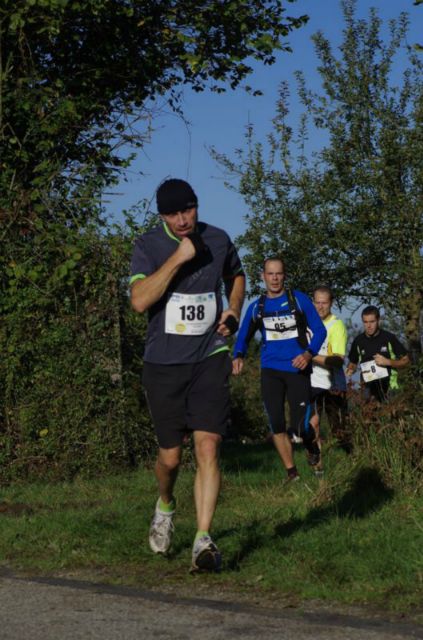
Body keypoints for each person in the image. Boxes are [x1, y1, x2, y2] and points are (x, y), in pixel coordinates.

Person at [130, 178, 245, 572]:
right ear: (162, 216)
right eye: (173, 214)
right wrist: (179, 258)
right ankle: (165, 504)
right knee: (171, 457)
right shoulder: (148, 246)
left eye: (188, 210)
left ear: (197, 206)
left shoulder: (219, 239)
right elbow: (139, 301)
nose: (182, 220)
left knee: (208, 445)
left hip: (209, 355)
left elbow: (237, 276)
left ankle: (203, 539)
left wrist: (233, 310)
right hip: (163, 364)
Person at [232, 257, 326, 480]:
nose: (274, 278)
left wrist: (308, 354)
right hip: (270, 371)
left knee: (301, 428)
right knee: (276, 424)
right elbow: (243, 336)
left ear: (284, 275)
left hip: (297, 370)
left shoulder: (298, 300)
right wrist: (238, 355)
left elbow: (320, 331)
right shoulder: (257, 307)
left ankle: (311, 447)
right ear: (263, 276)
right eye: (270, 274)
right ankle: (292, 473)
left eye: (279, 274)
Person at [310, 286, 350, 453]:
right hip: (311, 383)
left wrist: (309, 355)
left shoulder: (336, 325)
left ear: (331, 303)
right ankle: (317, 463)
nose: (320, 307)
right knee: (312, 426)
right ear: (313, 302)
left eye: (324, 303)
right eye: (317, 302)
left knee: (338, 429)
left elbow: (338, 361)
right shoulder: (308, 323)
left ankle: (351, 458)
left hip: (332, 385)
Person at [346, 306, 410, 403]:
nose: (369, 326)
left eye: (372, 322)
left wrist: (388, 362)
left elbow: (406, 360)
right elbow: (353, 363)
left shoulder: (389, 338)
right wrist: (350, 370)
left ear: (378, 320)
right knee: (368, 412)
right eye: (365, 322)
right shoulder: (358, 341)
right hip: (367, 388)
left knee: (390, 412)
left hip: (390, 388)